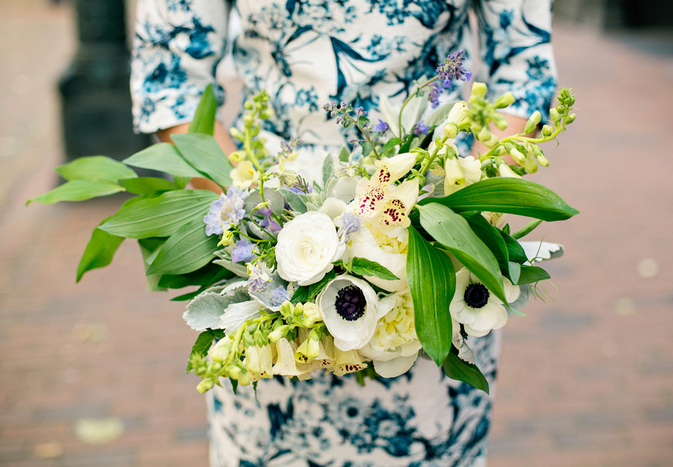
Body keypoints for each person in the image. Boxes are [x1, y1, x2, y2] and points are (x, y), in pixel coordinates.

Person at [131, 1, 557, 465]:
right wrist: (262, 231)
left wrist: (454, 218)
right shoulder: (266, 236)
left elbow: (523, 61)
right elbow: (168, 75)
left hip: (429, 244)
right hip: (272, 247)